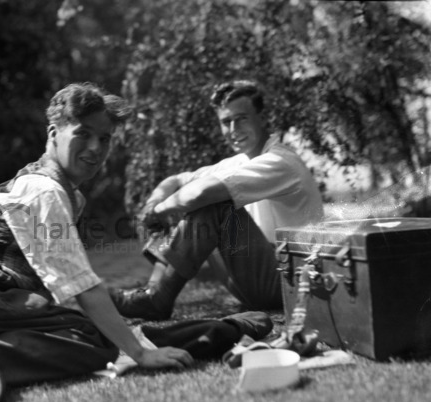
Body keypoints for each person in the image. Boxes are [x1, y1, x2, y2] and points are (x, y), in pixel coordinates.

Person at [0, 82, 273, 402]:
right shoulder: (44, 191)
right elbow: (82, 286)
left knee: (84, 329)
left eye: (104, 139)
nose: (95, 148)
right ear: (53, 134)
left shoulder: (57, 190)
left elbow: (60, 284)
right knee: (95, 344)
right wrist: (139, 353)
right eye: (83, 134)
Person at [111, 80, 324, 320]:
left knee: (213, 203)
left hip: (291, 283)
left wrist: (159, 211)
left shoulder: (280, 161)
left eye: (241, 118)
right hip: (257, 280)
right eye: (226, 122)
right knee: (193, 199)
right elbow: (178, 180)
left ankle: (158, 299)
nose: (233, 129)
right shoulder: (240, 162)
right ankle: (153, 291)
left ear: (263, 117)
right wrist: (155, 202)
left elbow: (199, 194)